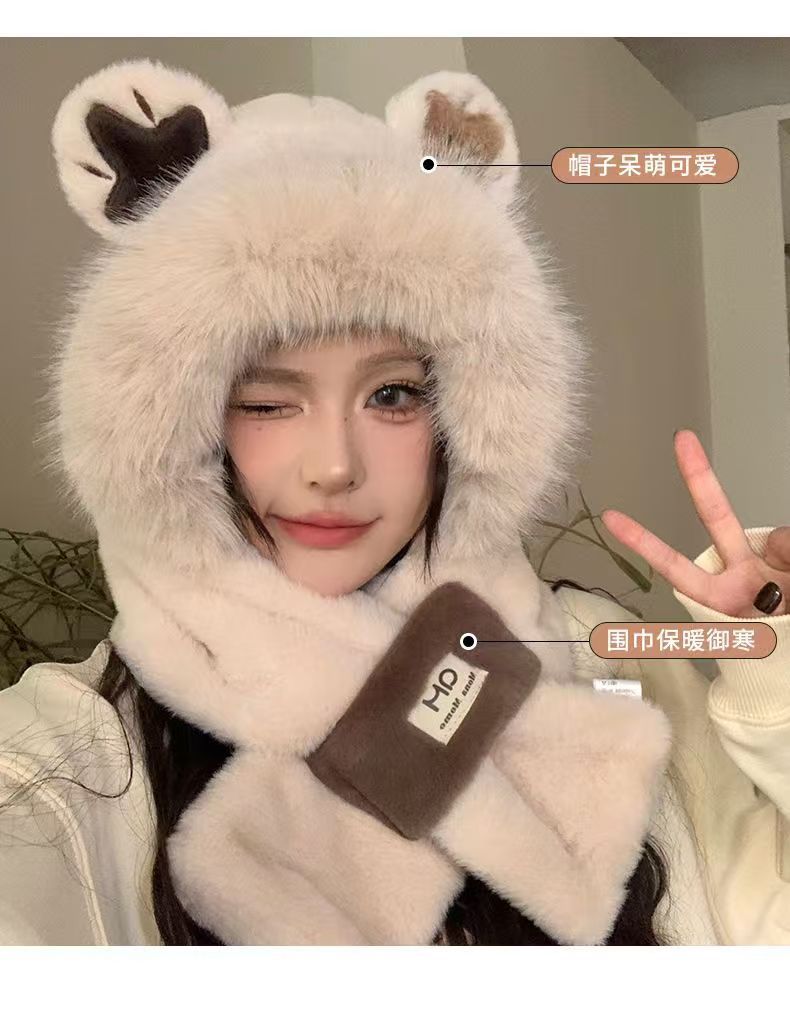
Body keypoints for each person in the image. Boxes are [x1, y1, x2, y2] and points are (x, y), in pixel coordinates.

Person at [0, 58, 788, 946]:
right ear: (177, 422)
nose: (335, 466)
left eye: (393, 395)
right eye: (265, 402)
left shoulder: (595, 652)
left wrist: (778, 682)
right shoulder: (81, 760)